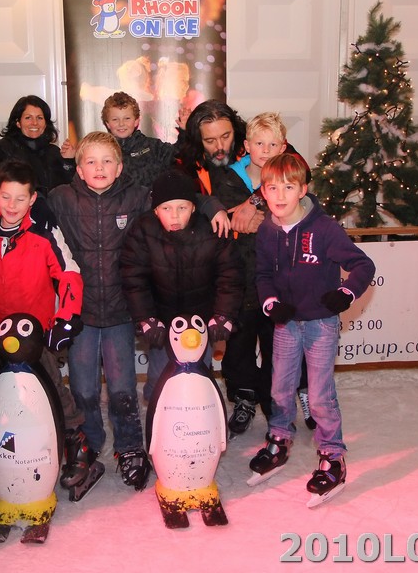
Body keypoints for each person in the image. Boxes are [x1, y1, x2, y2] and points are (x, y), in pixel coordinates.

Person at [0, 158, 103, 501]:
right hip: (0, 331)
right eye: (6, 197)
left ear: (32, 199)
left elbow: (69, 273)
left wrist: (66, 316)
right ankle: (13, 448)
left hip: (36, 333)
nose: (12, 206)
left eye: (20, 199)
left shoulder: (43, 233)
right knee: (7, 394)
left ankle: (78, 447)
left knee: (51, 388)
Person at [178, 102, 314, 434]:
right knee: (237, 345)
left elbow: (300, 187)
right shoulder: (223, 173)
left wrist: (257, 205)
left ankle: (278, 403)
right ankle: (243, 397)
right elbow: (207, 207)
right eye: (210, 140)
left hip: (277, 278)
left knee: (278, 346)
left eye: (225, 136)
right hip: (237, 275)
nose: (219, 145)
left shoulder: (280, 166)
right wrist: (225, 213)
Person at [249, 153, 375, 503]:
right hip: (286, 323)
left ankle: (333, 456)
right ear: (263, 191)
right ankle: (279, 439)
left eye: (288, 188)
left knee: (319, 395)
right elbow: (263, 274)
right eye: (272, 188)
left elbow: (362, 265)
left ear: (303, 190)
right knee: (279, 388)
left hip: (320, 323)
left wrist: (346, 293)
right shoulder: (267, 230)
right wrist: (270, 302)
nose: (280, 196)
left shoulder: (324, 228)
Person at [47, 131, 153, 491]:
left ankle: (130, 445)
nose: (99, 168)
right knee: (83, 387)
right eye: (91, 161)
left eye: (107, 161)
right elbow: (21, 204)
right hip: (80, 312)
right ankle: (89, 443)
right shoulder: (60, 199)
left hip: (120, 310)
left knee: (122, 386)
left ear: (119, 167)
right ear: (78, 169)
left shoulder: (137, 197)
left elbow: (179, 202)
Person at [120, 168, 245, 404]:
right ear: (155, 210)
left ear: (194, 207)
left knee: (198, 377)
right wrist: (146, 318)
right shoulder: (143, 230)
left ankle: (198, 418)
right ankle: (158, 416)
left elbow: (230, 275)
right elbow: (134, 279)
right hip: (163, 322)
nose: (175, 216)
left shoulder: (212, 229)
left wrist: (223, 315)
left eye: (182, 208)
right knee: (159, 381)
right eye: (166, 209)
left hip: (200, 322)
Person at [0, 88, 75, 227]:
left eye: (39, 118)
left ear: (45, 123)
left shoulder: (54, 152)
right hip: (12, 223)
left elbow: (70, 190)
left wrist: (69, 161)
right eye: (28, 117)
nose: (34, 123)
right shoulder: (3, 148)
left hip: (50, 225)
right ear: (18, 122)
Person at [100, 91, 187, 188]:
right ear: (107, 124)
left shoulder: (153, 146)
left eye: (127, 118)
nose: (121, 124)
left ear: (136, 121)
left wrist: (185, 131)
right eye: (115, 119)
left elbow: (179, 154)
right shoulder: (101, 152)